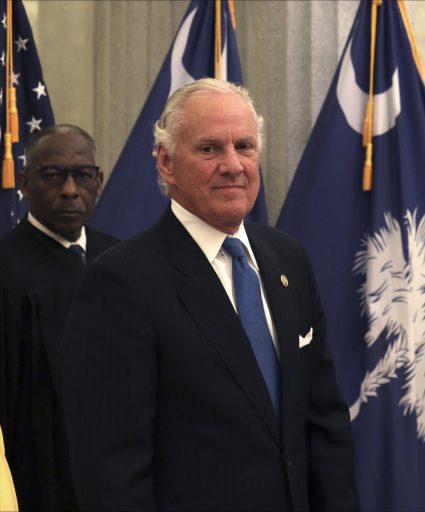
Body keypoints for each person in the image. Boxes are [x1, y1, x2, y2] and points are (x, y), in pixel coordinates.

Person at [62, 78, 359, 510]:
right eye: (209, 149)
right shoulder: (122, 282)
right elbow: (112, 467)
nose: (233, 164)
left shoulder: (286, 259)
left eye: (245, 146)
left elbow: (324, 421)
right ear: (165, 162)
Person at [0, 124, 118, 510]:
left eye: (83, 176)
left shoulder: (121, 262)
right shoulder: (6, 271)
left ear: (98, 182)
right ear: (23, 183)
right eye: (53, 175)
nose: (70, 190)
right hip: (38, 479)